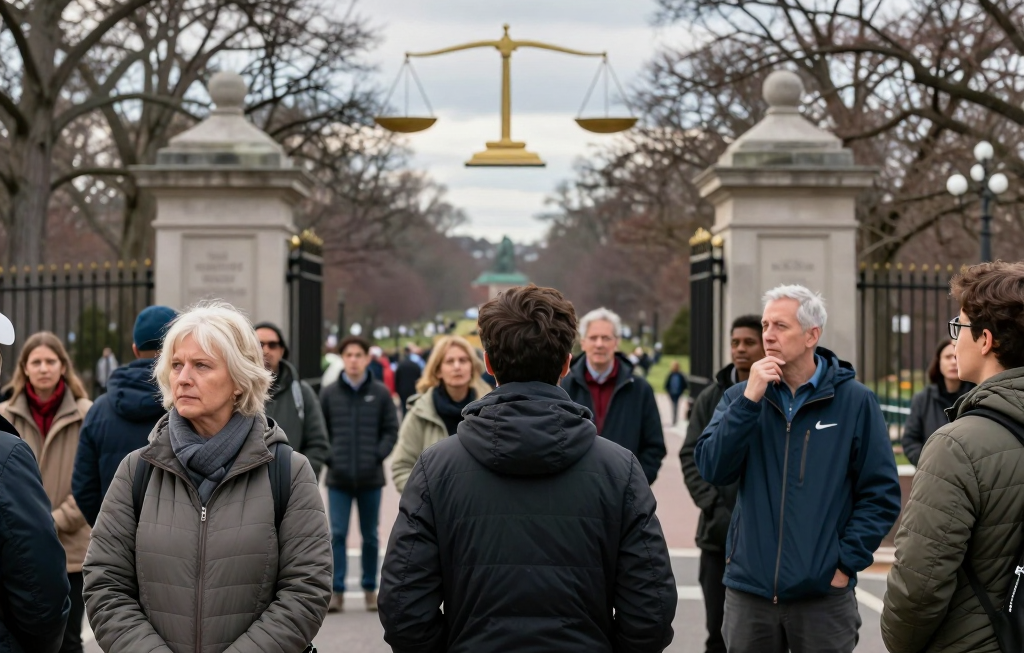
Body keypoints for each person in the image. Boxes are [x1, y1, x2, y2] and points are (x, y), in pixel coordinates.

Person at [378, 285, 677, 651]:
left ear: (487, 364)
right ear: (567, 363)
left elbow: (402, 606)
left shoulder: (435, 467)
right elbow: (651, 610)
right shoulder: (620, 468)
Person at [82, 301, 331, 652]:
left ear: (239, 381)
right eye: (177, 365)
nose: (183, 378)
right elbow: (105, 585)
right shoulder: (137, 470)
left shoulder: (288, 472)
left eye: (201, 366)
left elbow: (306, 591)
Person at [695, 285, 901, 653]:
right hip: (749, 593)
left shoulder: (855, 401)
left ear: (812, 335)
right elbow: (712, 467)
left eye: (780, 326)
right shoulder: (739, 397)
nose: (768, 336)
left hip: (822, 596)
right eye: (765, 325)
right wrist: (747, 402)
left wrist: (844, 565)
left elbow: (880, 494)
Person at [881, 261, 1024, 653]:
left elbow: (918, 588)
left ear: (985, 340)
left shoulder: (957, 445)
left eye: (958, 328)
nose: (954, 340)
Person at [0, 332, 93, 653]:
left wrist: (51, 520)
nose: (43, 368)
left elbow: (91, 484)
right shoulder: (5, 414)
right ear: (23, 368)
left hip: (72, 549)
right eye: (36, 362)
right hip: (18, 550)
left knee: (68, 639)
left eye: (50, 361)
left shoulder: (86, 413)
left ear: (63, 366)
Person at [679, 313, 764, 653]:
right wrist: (713, 505)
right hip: (717, 536)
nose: (740, 349)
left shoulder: (778, 395)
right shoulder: (711, 397)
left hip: (761, 539)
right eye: (735, 343)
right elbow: (691, 455)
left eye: (748, 342)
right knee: (717, 630)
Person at [72, 305, 177, 528]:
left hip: (116, 537)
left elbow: (83, 487)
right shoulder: (188, 402)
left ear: (135, 349)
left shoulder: (99, 409)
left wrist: (112, 532)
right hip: (178, 540)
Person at [320, 335, 399, 613]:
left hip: (370, 478)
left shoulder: (379, 393)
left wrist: (376, 455)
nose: (353, 360)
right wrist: (332, 458)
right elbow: (321, 430)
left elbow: (391, 430)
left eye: (358, 355)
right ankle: (337, 591)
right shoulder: (329, 393)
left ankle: (369, 588)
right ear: (343, 358)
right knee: (337, 535)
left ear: (367, 358)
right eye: (349, 354)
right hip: (338, 478)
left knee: (371, 536)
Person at [561, 307, 666, 484]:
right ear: (583, 342)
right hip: (574, 492)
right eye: (593, 338)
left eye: (606, 338)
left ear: (616, 342)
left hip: (625, 495)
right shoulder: (564, 387)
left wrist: (635, 485)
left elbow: (654, 446)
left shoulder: (640, 389)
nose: (599, 344)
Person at [390, 335, 492, 494]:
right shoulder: (421, 412)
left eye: (463, 360)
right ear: (438, 370)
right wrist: (429, 502)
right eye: (450, 361)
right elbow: (401, 467)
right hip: (435, 514)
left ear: (472, 367)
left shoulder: (489, 409)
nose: (457, 366)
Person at [254, 321, 330, 478]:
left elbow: (318, 443)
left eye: (273, 345)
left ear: (282, 350)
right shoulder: (235, 391)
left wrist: (301, 480)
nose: (265, 350)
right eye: (259, 344)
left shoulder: (302, 393)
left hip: (289, 488)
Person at [900, 338, 974, 467]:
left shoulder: (976, 396)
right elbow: (910, 440)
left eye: (957, 356)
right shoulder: (923, 399)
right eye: (948, 357)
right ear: (938, 361)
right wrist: (929, 464)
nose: (953, 362)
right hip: (932, 474)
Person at [394, 344, 424, 417]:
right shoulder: (416, 365)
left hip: (402, 389)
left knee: (404, 407)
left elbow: (397, 378)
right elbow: (420, 377)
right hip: (413, 389)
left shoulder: (400, 365)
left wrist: (397, 390)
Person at [664, 360, 688, 425]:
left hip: (677, 393)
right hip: (672, 392)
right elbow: (667, 384)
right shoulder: (671, 374)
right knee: (674, 405)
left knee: (675, 405)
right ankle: (674, 418)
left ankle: (674, 419)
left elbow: (684, 384)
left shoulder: (680, 375)